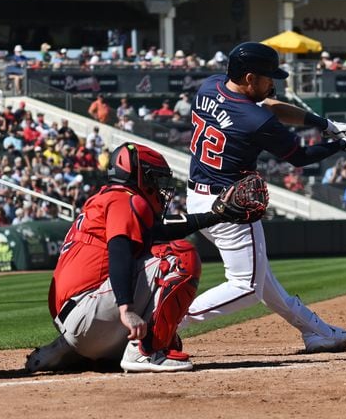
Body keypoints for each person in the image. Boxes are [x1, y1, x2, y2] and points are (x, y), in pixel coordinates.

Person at [182, 42, 346, 353]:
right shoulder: (255, 121)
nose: (273, 84)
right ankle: (161, 323)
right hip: (231, 208)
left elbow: (268, 106)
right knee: (248, 287)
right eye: (268, 78)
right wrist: (343, 146)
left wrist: (324, 125)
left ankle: (316, 332)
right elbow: (301, 157)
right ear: (250, 78)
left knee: (263, 279)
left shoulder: (209, 85)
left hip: (199, 199)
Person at [25, 142, 234, 373]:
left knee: (155, 257)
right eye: (154, 177)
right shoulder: (124, 199)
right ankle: (145, 352)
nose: (158, 186)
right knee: (180, 255)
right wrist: (126, 309)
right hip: (89, 315)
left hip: (76, 318)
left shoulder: (106, 198)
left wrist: (215, 215)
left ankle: (71, 351)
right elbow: (119, 251)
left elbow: (160, 230)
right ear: (140, 175)